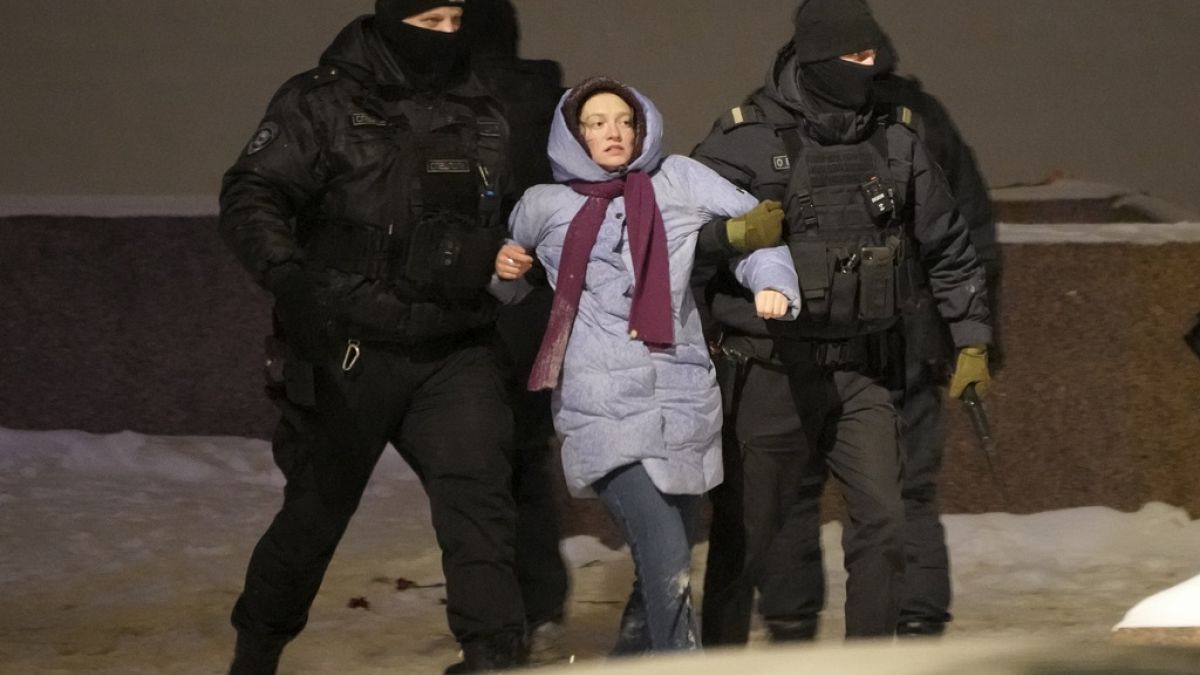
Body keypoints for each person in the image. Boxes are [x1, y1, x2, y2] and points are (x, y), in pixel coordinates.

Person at [219, 2, 528, 672]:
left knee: (479, 500)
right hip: (346, 343)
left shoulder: (483, 110)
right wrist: (288, 278)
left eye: (457, 22)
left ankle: (491, 655)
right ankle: (257, 651)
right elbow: (251, 194)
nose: (446, 36)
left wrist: (501, 258)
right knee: (314, 515)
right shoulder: (322, 101)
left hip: (453, 345)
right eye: (432, 19)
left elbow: (490, 215)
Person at [692, 0, 993, 643]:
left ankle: (871, 659)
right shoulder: (745, 136)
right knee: (747, 535)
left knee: (884, 523)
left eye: (873, 55)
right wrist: (730, 234)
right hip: (771, 367)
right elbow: (678, 240)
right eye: (857, 58)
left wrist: (971, 340)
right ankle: (715, 657)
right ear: (817, 59)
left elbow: (947, 244)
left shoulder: (896, 135)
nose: (872, 67)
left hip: (864, 368)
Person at [494, 76, 799, 653]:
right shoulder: (545, 204)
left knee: (664, 567)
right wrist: (504, 268)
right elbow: (507, 284)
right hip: (599, 400)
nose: (613, 131)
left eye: (624, 121)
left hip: (680, 396)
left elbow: (759, 232)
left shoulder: (677, 179)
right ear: (573, 133)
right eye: (596, 122)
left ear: (642, 128)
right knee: (667, 565)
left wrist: (773, 284)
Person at [459, 0, 572, 653]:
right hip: (543, 308)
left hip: (475, 305)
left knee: (479, 468)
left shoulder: (450, 105)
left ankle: (507, 618)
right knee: (526, 453)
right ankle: (541, 592)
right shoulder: (554, 106)